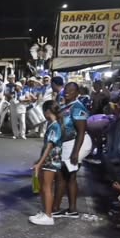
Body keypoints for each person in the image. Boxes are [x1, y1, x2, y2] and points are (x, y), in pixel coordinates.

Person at [53, 82, 91, 218]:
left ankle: (60, 208)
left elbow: (81, 131)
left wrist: (75, 152)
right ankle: (67, 209)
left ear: (77, 92)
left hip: (76, 143)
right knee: (66, 176)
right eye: (66, 89)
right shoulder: (67, 105)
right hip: (68, 143)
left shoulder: (78, 108)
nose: (67, 92)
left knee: (66, 175)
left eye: (71, 90)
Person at [29, 101, 63, 226]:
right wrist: (39, 161)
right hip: (48, 159)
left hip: (51, 160)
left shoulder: (55, 126)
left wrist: (40, 163)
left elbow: (49, 146)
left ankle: (48, 215)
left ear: (48, 111)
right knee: (43, 186)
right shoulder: (52, 124)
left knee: (47, 187)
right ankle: (45, 212)